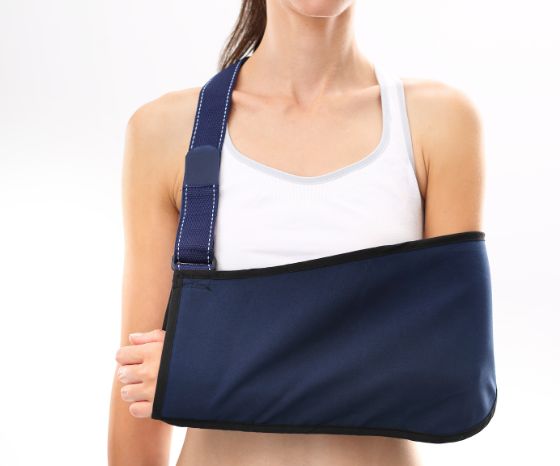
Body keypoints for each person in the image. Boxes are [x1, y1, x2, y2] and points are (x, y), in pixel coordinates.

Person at [108, 0, 485, 465]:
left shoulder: (437, 122)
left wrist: (208, 366)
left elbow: (454, 379)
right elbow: (137, 385)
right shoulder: (166, 131)